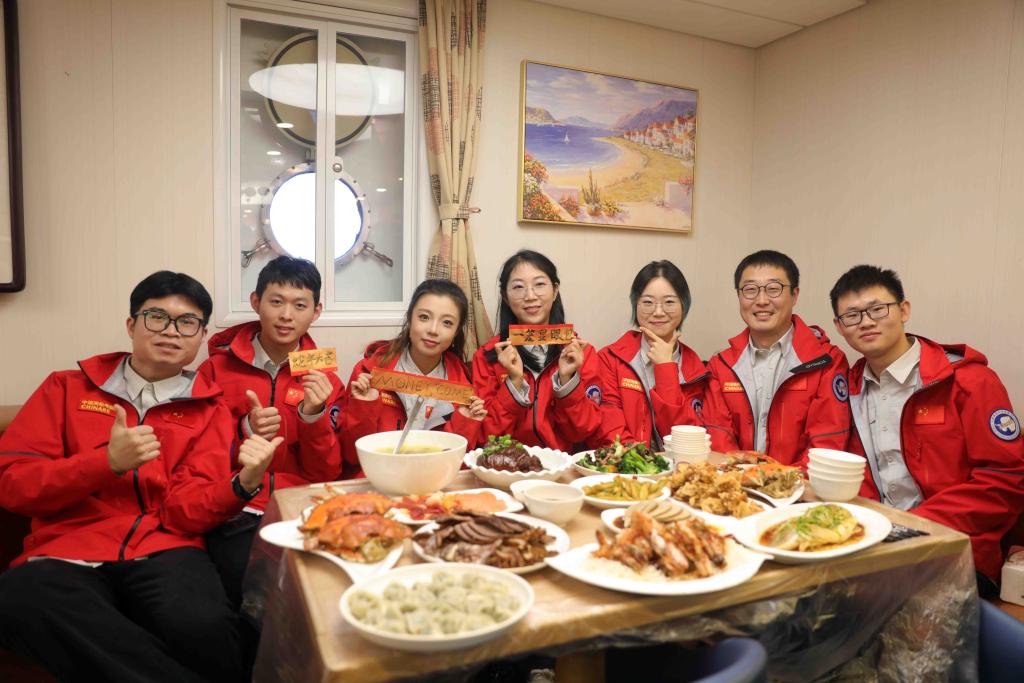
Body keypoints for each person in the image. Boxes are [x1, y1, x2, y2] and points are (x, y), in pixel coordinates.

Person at [0, 271, 280, 682]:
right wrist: (105, 463)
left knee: (204, 627)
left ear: (201, 336)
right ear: (131, 325)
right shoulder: (65, 389)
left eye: (187, 322)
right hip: (67, 547)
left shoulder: (210, 410)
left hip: (164, 547)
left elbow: (186, 511)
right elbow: (14, 485)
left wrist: (241, 484)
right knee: (19, 596)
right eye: (157, 317)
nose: (171, 331)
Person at [830, 264, 1024, 591]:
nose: (866, 322)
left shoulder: (968, 381)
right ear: (839, 326)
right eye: (852, 316)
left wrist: (909, 524)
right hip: (873, 546)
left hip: (956, 549)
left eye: (877, 309)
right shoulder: (847, 387)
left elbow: (1005, 481)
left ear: (904, 310)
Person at [198, 255, 344, 609]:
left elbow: (325, 473)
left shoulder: (326, 380)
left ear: (316, 312)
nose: (286, 315)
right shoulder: (216, 370)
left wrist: (313, 416)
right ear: (256, 302)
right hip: (236, 506)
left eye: (299, 305)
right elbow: (199, 457)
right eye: (276, 301)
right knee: (241, 590)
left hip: (301, 507)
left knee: (319, 588)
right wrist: (246, 430)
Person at [707, 250, 850, 465]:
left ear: (794, 295)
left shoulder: (827, 362)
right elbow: (719, 439)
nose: (762, 300)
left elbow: (826, 447)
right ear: (739, 296)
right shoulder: (721, 366)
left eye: (773, 289)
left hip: (803, 485)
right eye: (750, 290)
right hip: (733, 482)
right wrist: (742, 479)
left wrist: (778, 482)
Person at [341, 278, 486, 462]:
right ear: (410, 318)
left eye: (447, 323)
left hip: (436, 476)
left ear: (456, 332)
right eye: (424, 317)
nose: (433, 330)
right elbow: (351, 457)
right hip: (378, 474)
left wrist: (465, 421)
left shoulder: (464, 387)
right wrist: (363, 406)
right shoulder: (369, 372)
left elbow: (457, 463)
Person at [472, 250, 602, 452]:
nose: (530, 296)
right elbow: (485, 437)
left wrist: (567, 381)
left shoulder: (581, 352)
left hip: (560, 464)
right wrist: (513, 383)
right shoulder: (488, 356)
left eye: (539, 284)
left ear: (555, 290)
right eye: (518, 287)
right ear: (505, 296)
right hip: (503, 464)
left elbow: (584, 431)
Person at [597, 260, 734, 450]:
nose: (658, 312)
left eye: (669, 302)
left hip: (681, 467)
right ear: (635, 305)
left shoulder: (698, 371)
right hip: (627, 466)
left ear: (684, 305)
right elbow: (610, 430)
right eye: (648, 302)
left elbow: (688, 441)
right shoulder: (609, 359)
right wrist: (644, 463)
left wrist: (665, 369)